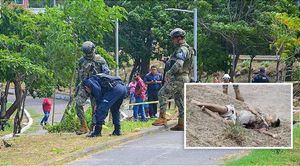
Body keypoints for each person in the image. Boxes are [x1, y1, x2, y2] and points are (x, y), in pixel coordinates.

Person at [152, 28, 193, 131]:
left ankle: (162, 118)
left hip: (179, 77)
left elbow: (179, 63)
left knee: (162, 93)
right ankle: (182, 123)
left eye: (173, 38)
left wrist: (169, 73)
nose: (172, 41)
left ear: (179, 38)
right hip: (184, 77)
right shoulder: (186, 48)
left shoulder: (182, 49)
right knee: (179, 100)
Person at [74, 41, 110, 135]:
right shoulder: (81, 60)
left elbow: (106, 73)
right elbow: (78, 74)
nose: (88, 55)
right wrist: (76, 86)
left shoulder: (100, 60)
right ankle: (83, 126)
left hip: (96, 86)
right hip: (85, 85)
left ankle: (94, 126)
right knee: (78, 103)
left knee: (96, 107)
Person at [192, 101, 281, 131]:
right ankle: (199, 103)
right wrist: (256, 112)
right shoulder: (261, 115)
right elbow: (250, 108)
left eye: (271, 116)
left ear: (271, 122)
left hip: (236, 122)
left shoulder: (264, 126)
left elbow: (262, 131)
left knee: (223, 121)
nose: (269, 115)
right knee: (221, 108)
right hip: (234, 112)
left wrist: (272, 135)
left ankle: (206, 110)